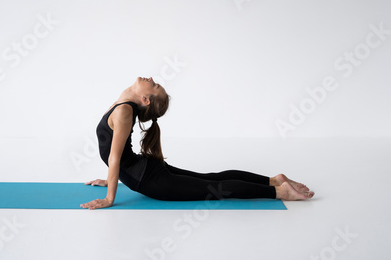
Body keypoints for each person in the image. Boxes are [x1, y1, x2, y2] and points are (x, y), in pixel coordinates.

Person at [80, 77, 314, 210]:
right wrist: (114, 176)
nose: (151, 79)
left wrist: (110, 197)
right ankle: (274, 180)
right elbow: (115, 153)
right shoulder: (124, 104)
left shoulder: (123, 111)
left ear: (145, 99)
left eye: (155, 85)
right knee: (212, 179)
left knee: (214, 187)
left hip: (149, 178)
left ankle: (278, 189)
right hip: (146, 172)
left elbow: (115, 157)